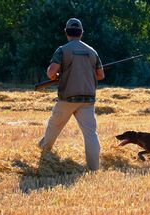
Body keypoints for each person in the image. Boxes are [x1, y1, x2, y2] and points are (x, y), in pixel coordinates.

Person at [39, 18, 104, 171]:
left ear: (66, 33)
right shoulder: (92, 51)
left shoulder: (63, 50)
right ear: (81, 33)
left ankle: (44, 155)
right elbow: (100, 75)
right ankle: (94, 168)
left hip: (67, 98)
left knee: (54, 126)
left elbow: (50, 73)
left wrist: (57, 76)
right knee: (91, 134)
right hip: (88, 99)